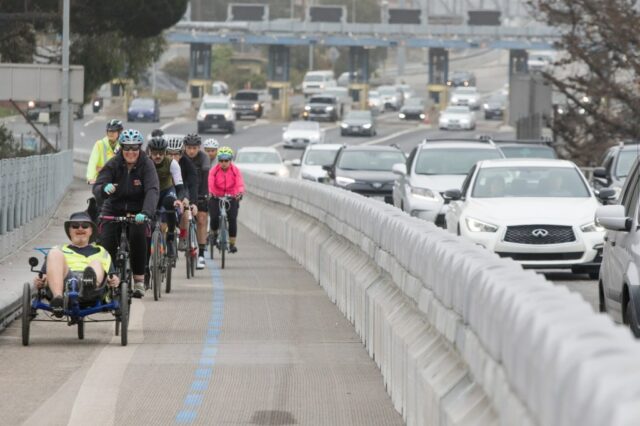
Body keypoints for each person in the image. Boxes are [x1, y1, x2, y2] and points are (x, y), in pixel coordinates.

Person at [93, 129, 159, 298]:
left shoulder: (147, 164)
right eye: (127, 148)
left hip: (138, 210)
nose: (131, 152)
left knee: (138, 235)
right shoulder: (114, 163)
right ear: (121, 149)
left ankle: (138, 280)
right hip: (114, 207)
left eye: (134, 148)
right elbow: (98, 186)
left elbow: (152, 190)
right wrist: (103, 189)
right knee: (106, 241)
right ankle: (109, 280)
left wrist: (145, 212)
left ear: (140, 148)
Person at [33, 212, 119, 318]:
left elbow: (112, 275)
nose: (80, 228)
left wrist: (114, 279)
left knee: (96, 263)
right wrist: (40, 280)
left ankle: (88, 287)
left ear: (91, 230)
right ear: (69, 231)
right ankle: (58, 300)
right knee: (54, 252)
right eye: (75, 226)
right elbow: (45, 275)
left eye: (85, 226)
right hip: (65, 283)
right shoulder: (59, 249)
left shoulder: (102, 251)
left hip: (93, 287)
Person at [148, 135, 186, 258]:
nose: (158, 156)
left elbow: (180, 187)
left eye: (160, 153)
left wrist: (179, 200)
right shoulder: (145, 162)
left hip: (166, 191)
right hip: (151, 192)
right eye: (154, 153)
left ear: (165, 152)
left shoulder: (172, 163)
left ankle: (170, 238)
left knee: (171, 202)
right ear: (150, 152)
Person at [208, 146, 244, 253]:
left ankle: (232, 243)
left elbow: (239, 183)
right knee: (214, 217)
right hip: (216, 196)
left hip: (231, 196)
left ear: (230, 160)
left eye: (226, 160)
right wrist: (210, 192)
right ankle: (213, 234)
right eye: (221, 160)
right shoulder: (214, 170)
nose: (223, 163)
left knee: (232, 219)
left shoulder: (235, 170)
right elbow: (210, 182)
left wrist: (239, 193)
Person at [183, 133, 211, 269]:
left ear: (199, 148)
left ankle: (201, 254)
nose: (191, 151)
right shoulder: (180, 157)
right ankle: (182, 238)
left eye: (194, 148)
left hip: (200, 191)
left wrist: (204, 196)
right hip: (184, 191)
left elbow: (205, 180)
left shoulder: (204, 158)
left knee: (201, 219)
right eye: (189, 148)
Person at [166, 136, 199, 251]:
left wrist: (194, 203)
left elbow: (193, 185)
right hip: (168, 189)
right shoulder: (163, 163)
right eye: (170, 154)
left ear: (181, 154)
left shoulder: (188, 164)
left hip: (183, 189)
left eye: (176, 154)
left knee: (186, 209)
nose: (173, 157)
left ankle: (183, 236)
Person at [86, 119, 123, 185]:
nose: (110, 133)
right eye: (109, 131)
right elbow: (92, 162)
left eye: (113, 131)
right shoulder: (99, 144)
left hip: (118, 180)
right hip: (102, 180)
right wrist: (90, 178)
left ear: (119, 132)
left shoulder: (123, 146)